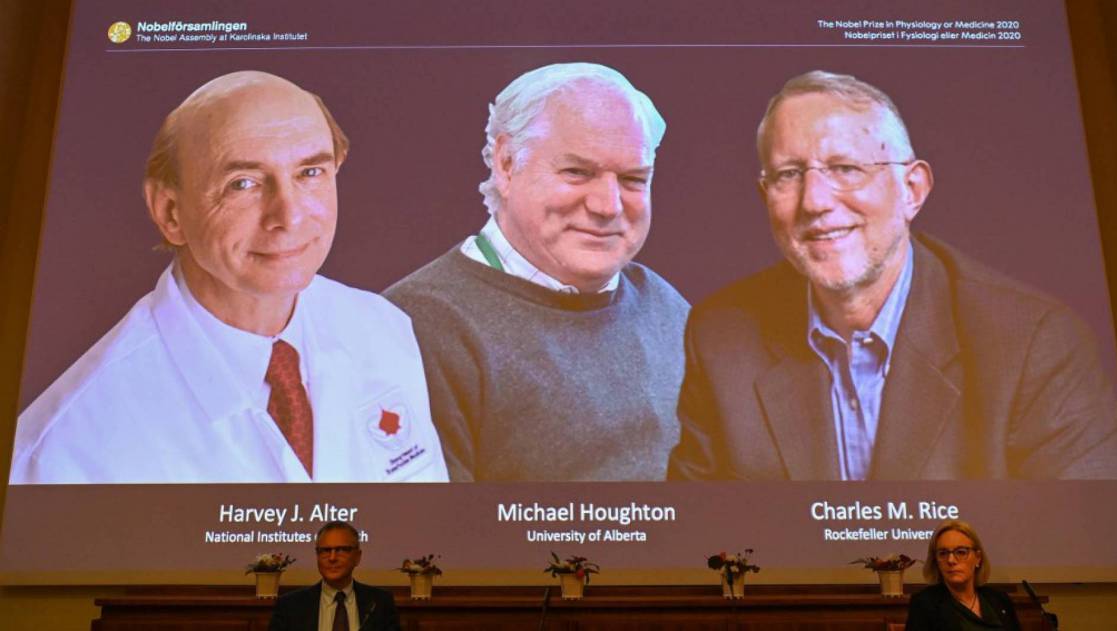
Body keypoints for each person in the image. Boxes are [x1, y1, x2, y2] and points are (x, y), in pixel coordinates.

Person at [667, 70, 1117, 480]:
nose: (814, 202)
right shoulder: (722, 337)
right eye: (789, 174)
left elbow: (1088, 545)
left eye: (845, 168)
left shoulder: (1033, 344)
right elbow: (702, 539)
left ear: (913, 189)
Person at [9, 71, 447, 483]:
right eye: (243, 183)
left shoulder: (383, 329)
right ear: (170, 213)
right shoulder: (65, 449)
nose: (289, 216)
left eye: (310, 173)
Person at [385, 62, 689, 481]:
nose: (608, 205)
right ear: (506, 164)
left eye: (634, 179)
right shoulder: (413, 326)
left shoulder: (666, 307)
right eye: (577, 172)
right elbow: (433, 536)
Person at [269, 520, 400, 631]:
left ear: (357, 557)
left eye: (341, 550)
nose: (332, 558)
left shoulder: (381, 603)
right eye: (325, 551)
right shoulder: (290, 605)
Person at [905, 519, 1021, 630]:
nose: (951, 560)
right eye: (943, 553)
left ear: (978, 558)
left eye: (961, 552)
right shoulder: (925, 604)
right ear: (936, 561)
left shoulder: (999, 599)